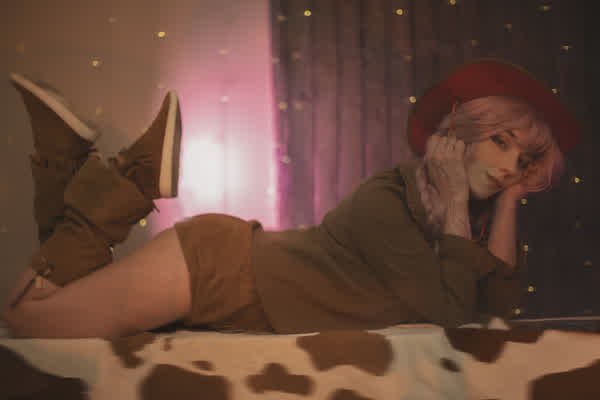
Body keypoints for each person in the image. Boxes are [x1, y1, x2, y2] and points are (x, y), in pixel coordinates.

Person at [1, 58, 581, 339]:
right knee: (27, 320)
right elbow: (452, 320)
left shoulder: (461, 229)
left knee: (54, 303)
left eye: (525, 159)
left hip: (232, 280)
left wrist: (510, 202)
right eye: (501, 143)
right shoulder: (389, 200)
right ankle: (132, 178)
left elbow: (496, 315)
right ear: (461, 134)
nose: (511, 167)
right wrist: (456, 204)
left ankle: (62, 156)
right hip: (223, 268)